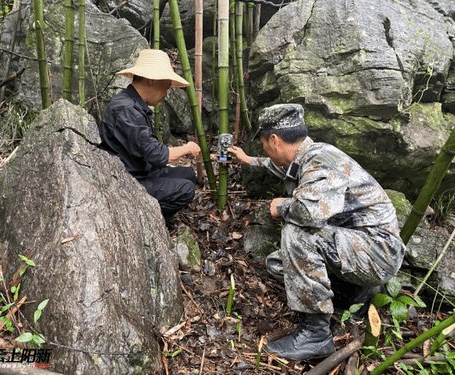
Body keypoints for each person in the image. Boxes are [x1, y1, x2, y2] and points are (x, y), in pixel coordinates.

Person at [229, 103, 405, 360]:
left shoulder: (321, 161)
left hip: (378, 252)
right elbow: (277, 165)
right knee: (280, 264)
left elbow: (309, 213)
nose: (265, 149)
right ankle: (355, 295)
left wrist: (282, 207)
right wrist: (249, 160)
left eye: (264, 144)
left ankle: (315, 334)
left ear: (275, 140)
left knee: (297, 234)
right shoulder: (307, 156)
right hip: (361, 246)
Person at [99, 49, 201, 227]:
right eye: (166, 87)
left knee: (188, 174)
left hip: (141, 171)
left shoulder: (134, 105)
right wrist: (187, 148)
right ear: (152, 80)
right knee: (186, 189)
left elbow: (146, 150)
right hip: (127, 182)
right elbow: (156, 155)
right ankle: (147, 220)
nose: (166, 93)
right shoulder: (126, 109)